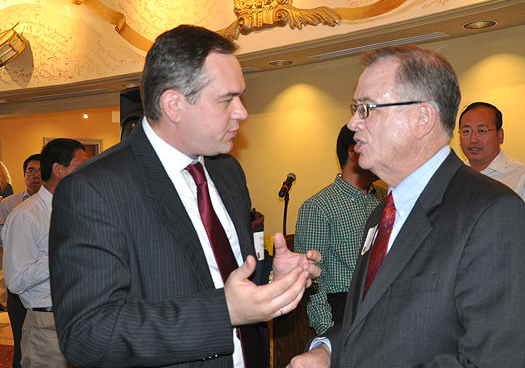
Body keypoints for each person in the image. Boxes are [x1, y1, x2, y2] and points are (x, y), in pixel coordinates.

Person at [48, 24, 321, 368]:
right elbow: (88, 335)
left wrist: (271, 276)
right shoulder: (94, 189)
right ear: (174, 105)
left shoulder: (227, 172)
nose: (242, 112)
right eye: (227, 100)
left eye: (241, 97)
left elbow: (222, 274)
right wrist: (223, 312)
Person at [288, 45, 525, 368]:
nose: (352, 124)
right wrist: (327, 351)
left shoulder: (493, 214)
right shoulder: (382, 214)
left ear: (422, 118)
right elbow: (374, 318)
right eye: (355, 108)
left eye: (366, 108)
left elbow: (501, 358)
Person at [2, 139, 88, 368]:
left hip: (81, 318)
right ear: (58, 169)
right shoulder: (27, 215)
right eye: (81, 165)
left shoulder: (75, 207)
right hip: (47, 325)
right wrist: (64, 255)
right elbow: (16, 280)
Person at [294, 124, 386, 335]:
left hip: (385, 305)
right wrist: (327, 334)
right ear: (354, 152)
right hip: (343, 311)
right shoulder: (319, 207)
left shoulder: (383, 197)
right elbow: (311, 281)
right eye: (376, 146)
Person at [459, 102, 525, 242]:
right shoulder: (454, 178)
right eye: (466, 131)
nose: (473, 139)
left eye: (482, 131)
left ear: (500, 135)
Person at [0, 153, 41, 368]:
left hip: (44, 288)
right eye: (30, 171)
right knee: (20, 342)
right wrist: (8, 229)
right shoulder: (9, 204)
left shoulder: (56, 202)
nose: (35, 175)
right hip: (18, 287)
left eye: (40, 170)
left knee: (44, 345)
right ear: (24, 175)